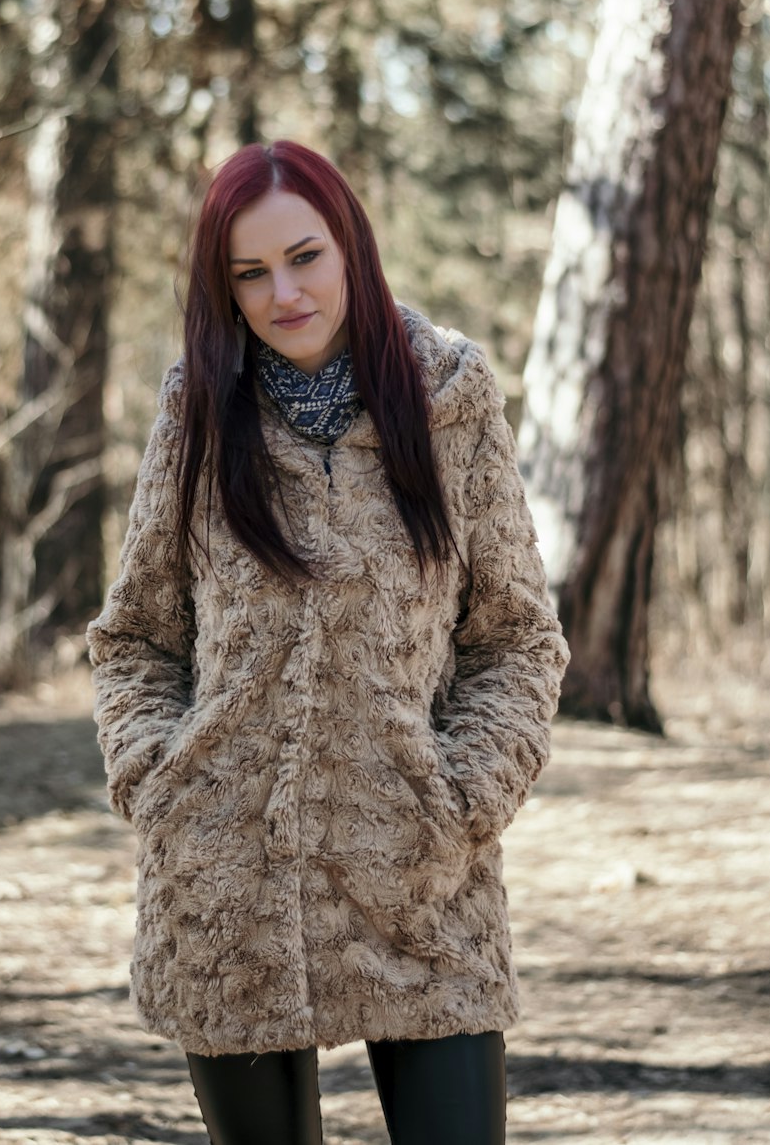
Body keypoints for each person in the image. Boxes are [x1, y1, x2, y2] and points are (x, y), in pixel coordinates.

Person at [86, 139, 569, 1145]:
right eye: (249, 273)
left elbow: (516, 638)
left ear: (350, 246)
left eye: (304, 256)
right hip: (227, 891)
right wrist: (162, 782)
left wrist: (462, 797)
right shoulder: (197, 411)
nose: (284, 293)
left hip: (422, 883)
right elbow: (136, 639)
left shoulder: (452, 397)